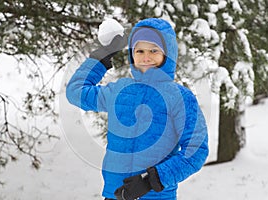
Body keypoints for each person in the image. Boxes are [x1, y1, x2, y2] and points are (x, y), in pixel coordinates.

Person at [66, 18, 209, 200]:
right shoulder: (120, 90)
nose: (146, 57)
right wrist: (102, 56)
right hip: (115, 195)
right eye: (139, 50)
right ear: (132, 54)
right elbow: (76, 92)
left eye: (154, 50)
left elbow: (196, 150)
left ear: (167, 54)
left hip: (156, 196)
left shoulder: (180, 97)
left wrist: (151, 180)